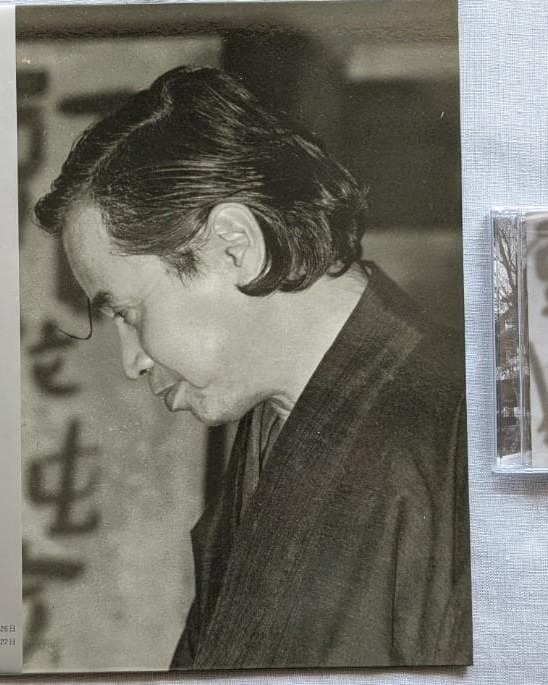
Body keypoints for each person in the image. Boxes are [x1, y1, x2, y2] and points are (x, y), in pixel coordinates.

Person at [34, 66, 470, 668]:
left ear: (234, 246)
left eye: (129, 313)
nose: (132, 361)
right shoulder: (273, 429)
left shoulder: (466, 432)